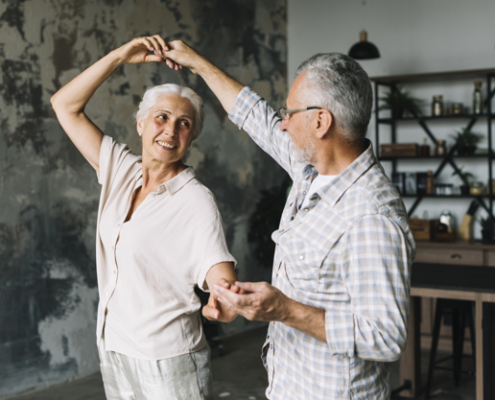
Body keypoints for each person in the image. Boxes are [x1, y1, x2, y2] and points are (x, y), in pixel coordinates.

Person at [160, 39, 416, 399]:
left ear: (320, 121)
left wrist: (285, 309)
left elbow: (386, 337)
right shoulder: (311, 168)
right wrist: (195, 62)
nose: (281, 124)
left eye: (289, 112)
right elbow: (254, 116)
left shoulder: (371, 215)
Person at [50, 36, 239, 400]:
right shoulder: (121, 168)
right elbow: (64, 105)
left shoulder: (196, 200)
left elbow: (219, 272)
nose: (170, 130)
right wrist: (120, 56)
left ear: (191, 137)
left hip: (167, 362)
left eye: (184, 124)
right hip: (115, 348)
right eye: (162, 118)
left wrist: (223, 296)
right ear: (140, 125)